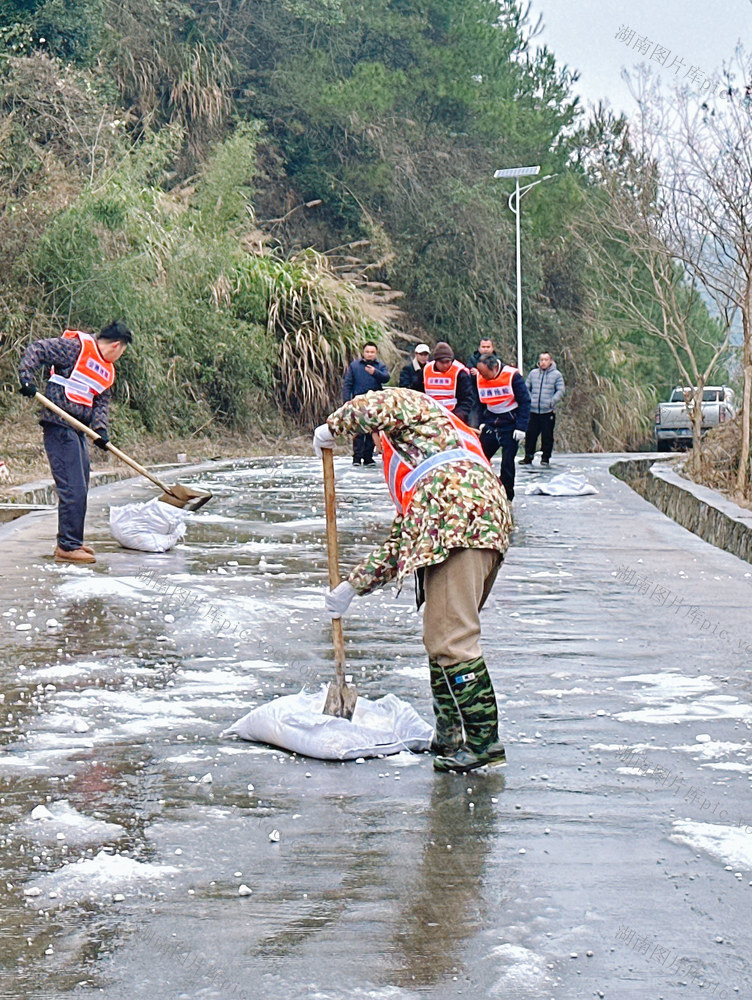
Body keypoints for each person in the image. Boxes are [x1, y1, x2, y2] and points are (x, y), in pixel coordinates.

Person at [313, 387, 512, 773]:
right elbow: (405, 535)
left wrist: (333, 427)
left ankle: (485, 743)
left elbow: (377, 403)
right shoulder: (431, 450)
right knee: (439, 635)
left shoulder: (415, 409)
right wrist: (353, 585)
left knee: (453, 640)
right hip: (473, 525)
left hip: (459, 526)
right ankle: (450, 735)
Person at [18, 321, 132, 564]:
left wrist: (101, 432)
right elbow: (37, 349)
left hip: (78, 429)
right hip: (59, 423)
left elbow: (100, 402)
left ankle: (73, 541)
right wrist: (26, 377)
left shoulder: (107, 370)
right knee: (73, 486)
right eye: (122, 351)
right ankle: (67, 547)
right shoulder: (75, 348)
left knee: (82, 483)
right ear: (116, 345)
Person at [475, 353, 530, 502]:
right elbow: (479, 403)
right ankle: (480, 492)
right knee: (479, 458)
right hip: (491, 423)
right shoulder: (480, 378)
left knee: (507, 463)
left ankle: (507, 497)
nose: (483, 377)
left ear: (494, 368)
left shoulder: (512, 376)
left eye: (486, 374)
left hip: (510, 425)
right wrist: (480, 422)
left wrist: (521, 427)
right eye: (481, 373)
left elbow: (525, 402)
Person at [342, 341, 389, 465]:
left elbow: (386, 378)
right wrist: (347, 401)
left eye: (372, 352)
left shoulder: (380, 366)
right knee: (358, 431)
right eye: (367, 352)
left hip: (374, 403)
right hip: (358, 402)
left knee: (372, 430)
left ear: (376, 353)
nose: (369, 354)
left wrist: (375, 372)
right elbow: (348, 384)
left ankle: (368, 457)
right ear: (363, 353)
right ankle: (356, 457)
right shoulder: (355, 366)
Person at [523, 352, 565, 467]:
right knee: (530, 435)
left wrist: (552, 401)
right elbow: (526, 388)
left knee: (547, 436)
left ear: (550, 361)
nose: (543, 362)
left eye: (546, 360)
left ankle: (545, 458)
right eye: (541, 360)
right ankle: (528, 457)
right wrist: (530, 400)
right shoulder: (533, 374)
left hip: (547, 411)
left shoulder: (556, 375)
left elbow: (560, 390)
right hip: (533, 411)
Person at [422, 342, 475, 424]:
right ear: (436, 361)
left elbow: (467, 399)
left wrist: (457, 417)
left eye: (447, 362)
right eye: (442, 362)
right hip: (430, 415)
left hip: (454, 416)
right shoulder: (426, 370)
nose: (445, 365)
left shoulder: (460, 373)